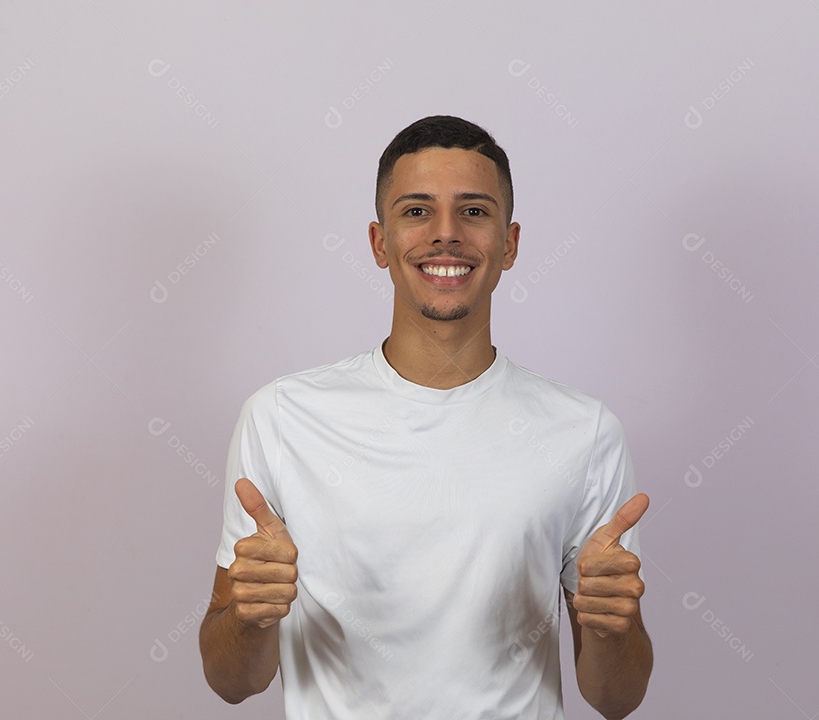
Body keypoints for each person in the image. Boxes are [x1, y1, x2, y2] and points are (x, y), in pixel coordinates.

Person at [198, 115, 653, 719]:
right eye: (416, 211)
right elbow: (231, 681)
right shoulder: (281, 418)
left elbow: (616, 699)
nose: (445, 235)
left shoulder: (585, 432)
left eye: (473, 211)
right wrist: (252, 619)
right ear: (379, 242)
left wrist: (610, 627)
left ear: (510, 243)